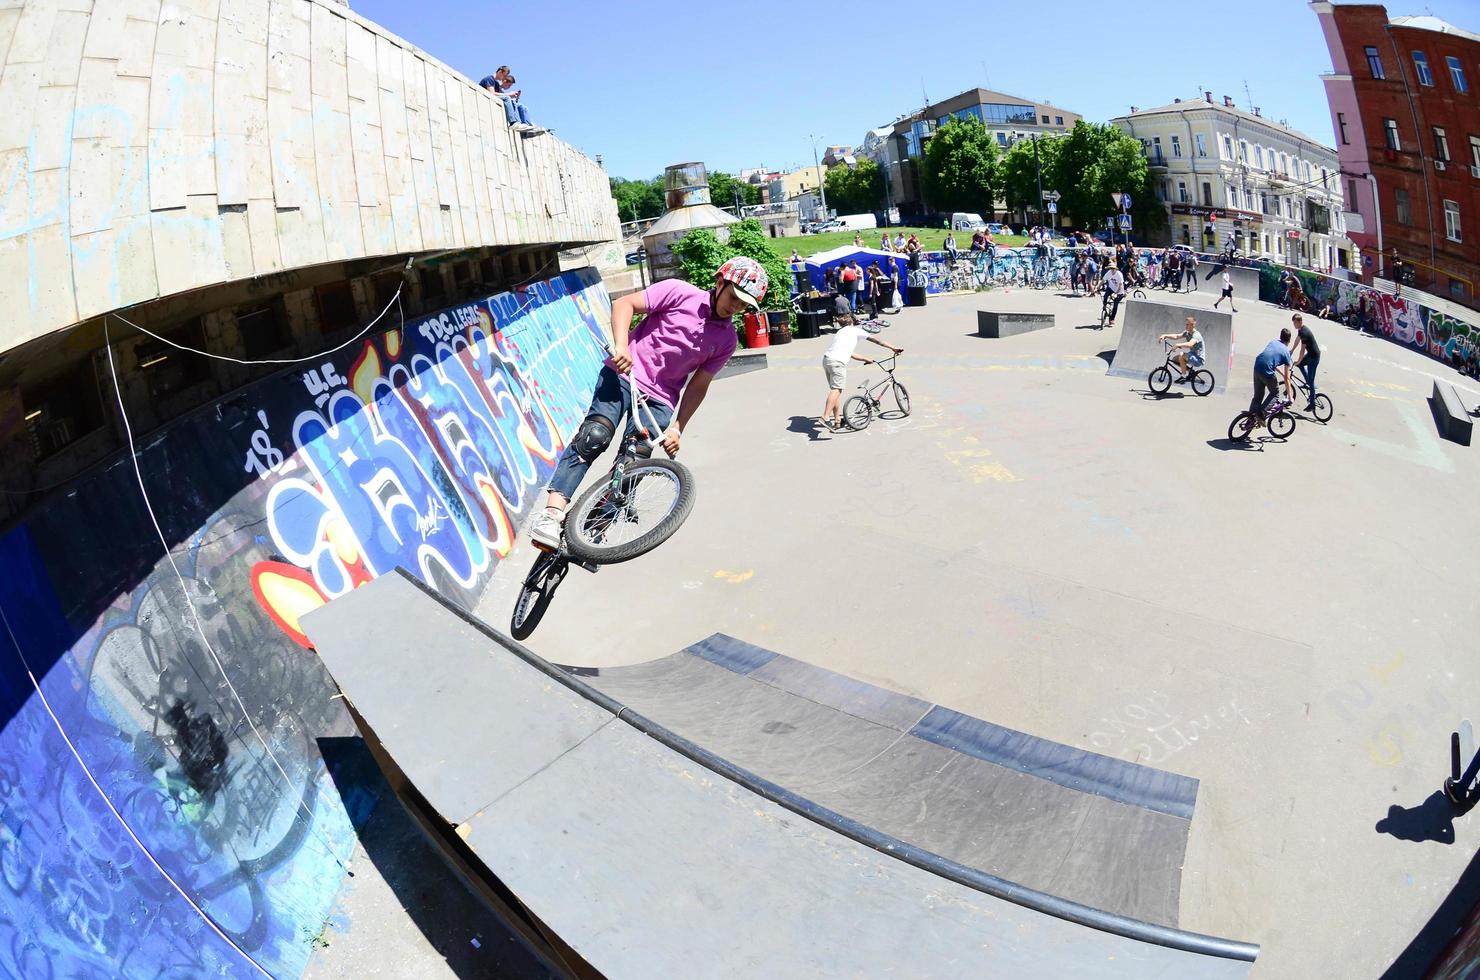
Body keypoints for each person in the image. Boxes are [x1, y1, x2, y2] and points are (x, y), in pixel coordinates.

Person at [528, 257, 767, 550]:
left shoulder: (727, 339)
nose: (735, 307)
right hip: (624, 375)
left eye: (744, 305)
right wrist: (621, 346)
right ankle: (551, 514)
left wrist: (678, 427)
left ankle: (593, 531)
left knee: (633, 463)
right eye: (734, 298)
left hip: (660, 399)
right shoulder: (679, 292)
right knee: (595, 435)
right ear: (720, 282)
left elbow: (699, 384)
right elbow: (624, 304)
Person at [819, 320, 903, 430]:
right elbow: (878, 341)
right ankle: (825, 417)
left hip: (827, 360)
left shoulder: (840, 332)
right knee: (837, 389)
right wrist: (893, 347)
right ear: (852, 323)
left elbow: (849, 352)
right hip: (838, 362)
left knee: (835, 391)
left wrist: (865, 358)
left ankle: (837, 420)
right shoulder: (856, 331)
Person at [1249, 328, 1295, 427]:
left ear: (1280, 337)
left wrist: (1281, 372)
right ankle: (1262, 413)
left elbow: (1268, 360)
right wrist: (1290, 398)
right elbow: (1287, 378)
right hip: (1267, 372)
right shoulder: (1286, 353)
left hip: (1257, 366)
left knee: (1258, 396)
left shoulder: (1273, 342)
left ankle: (1250, 418)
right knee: (1275, 393)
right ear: (1289, 340)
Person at [479, 66, 540, 135]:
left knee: (520, 105)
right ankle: (513, 122)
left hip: (494, 99)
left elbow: (504, 97)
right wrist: (509, 94)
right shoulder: (489, 79)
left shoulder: (495, 83)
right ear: (500, 72)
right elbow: (492, 93)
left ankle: (524, 125)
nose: (504, 78)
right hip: (483, 99)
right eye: (504, 76)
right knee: (507, 98)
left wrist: (514, 98)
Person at [1289, 313, 1321, 412]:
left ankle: (1312, 405)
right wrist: (1292, 350)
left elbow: (1302, 350)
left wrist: (1298, 361)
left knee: (1311, 382)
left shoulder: (1305, 333)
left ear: (1299, 322)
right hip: (1311, 354)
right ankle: (1308, 381)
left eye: (1295, 323)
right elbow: (1297, 340)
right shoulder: (1301, 330)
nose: (1294, 325)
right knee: (1300, 365)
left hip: (1314, 357)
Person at [1158, 316, 1205, 382]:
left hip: (1198, 359)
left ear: (1192, 325)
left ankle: (1183, 376)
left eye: (1187, 324)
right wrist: (1165, 335)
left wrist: (1178, 344)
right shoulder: (1187, 333)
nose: (1186, 326)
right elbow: (1176, 336)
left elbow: (1190, 344)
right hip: (1192, 356)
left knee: (1181, 354)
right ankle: (1190, 371)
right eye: (1186, 324)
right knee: (1175, 360)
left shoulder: (1196, 335)